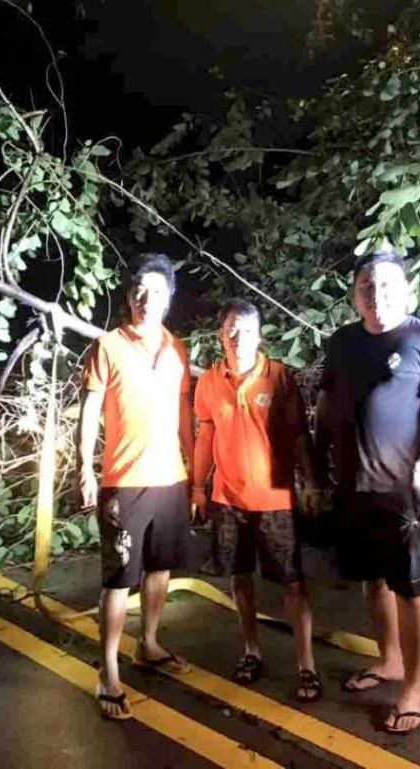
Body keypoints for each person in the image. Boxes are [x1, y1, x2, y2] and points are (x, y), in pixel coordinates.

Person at [314, 250, 420, 734]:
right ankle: (388, 660)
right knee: (374, 579)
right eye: (367, 287)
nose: (377, 295)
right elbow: (327, 402)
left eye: (387, 286)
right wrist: (316, 460)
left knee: (412, 588)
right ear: (355, 295)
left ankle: (413, 687)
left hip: (407, 490)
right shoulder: (342, 342)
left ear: (408, 290)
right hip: (354, 484)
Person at [77, 253, 194, 721]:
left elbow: (184, 415)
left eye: (156, 292)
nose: (146, 300)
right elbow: (89, 411)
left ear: (169, 299)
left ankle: (148, 643)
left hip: (172, 479)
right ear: (129, 297)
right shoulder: (108, 346)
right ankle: (108, 671)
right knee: (119, 580)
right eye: (139, 291)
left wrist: (195, 468)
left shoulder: (177, 349)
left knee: (161, 570)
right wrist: (84, 467)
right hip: (123, 482)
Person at [191, 298, 324, 702]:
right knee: (239, 577)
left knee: (292, 582)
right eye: (231, 329)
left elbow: (301, 437)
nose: (238, 337)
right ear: (221, 334)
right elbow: (205, 437)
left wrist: (312, 483)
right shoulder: (209, 382)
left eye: (246, 329)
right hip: (228, 498)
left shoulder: (279, 378)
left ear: (259, 335)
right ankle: (251, 651)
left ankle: (307, 665)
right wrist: (198, 486)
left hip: (275, 498)